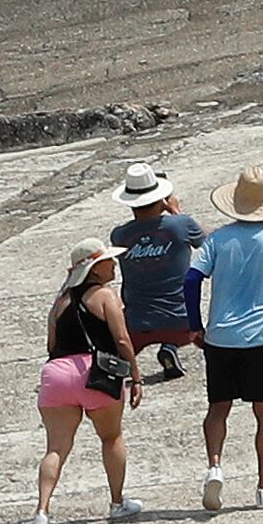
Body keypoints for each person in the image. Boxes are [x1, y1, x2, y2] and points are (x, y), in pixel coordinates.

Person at [188, 167, 263, 511]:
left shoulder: (218, 240)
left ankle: (214, 466)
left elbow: (191, 280)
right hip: (261, 339)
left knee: (218, 408)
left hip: (221, 338)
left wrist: (195, 324)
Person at [32, 241, 143, 524]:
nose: (114, 265)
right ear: (94, 268)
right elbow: (121, 339)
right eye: (108, 261)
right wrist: (136, 375)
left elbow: (51, 345)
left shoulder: (60, 302)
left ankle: (42, 510)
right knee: (111, 437)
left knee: (55, 448)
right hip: (95, 374)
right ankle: (117, 502)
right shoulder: (105, 295)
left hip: (56, 375)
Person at [108, 164, 205, 384]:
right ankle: (170, 347)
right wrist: (176, 212)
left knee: (120, 345)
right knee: (203, 335)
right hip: (182, 323)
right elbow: (208, 245)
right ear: (162, 198)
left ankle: (120, 364)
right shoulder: (181, 224)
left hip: (136, 325)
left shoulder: (119, 234)